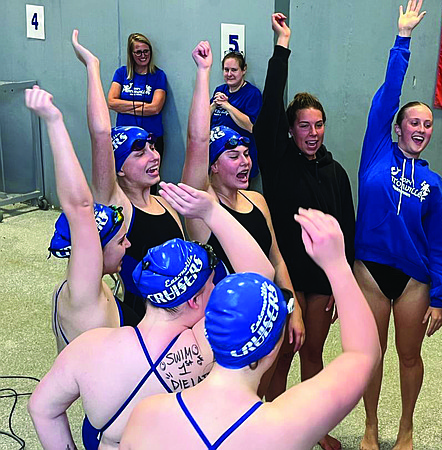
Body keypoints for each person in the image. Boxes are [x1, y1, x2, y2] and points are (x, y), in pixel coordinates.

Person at [28, 180, 274, 450]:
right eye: (211, 285)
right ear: (193, 300)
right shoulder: (203, 346)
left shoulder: (88, 347)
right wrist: (211, 212)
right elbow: (262, 278)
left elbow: (41, 408)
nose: (215, 289)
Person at [120, 208, 380, 450]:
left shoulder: (145, 416)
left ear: (208, 332)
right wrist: (337, 266)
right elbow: (363, 355)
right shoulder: (284, 428)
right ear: (274, 346)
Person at [253, 14, 356, 447]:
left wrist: (339, 282)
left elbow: (346, 233)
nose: (312, 134)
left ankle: (314, 429)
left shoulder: (336, 173)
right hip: (285, 278)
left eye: (318, 125)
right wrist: (282, 46)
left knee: (312, 354)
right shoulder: (277, 163)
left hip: (320, 281)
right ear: (290, 131)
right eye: (303, 126)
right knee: (278, 357)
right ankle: (264, 429)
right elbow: (270, 106)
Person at [182, 39, 304, 397]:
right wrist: (204, 74)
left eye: (246, 154)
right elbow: (195, 141)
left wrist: (291, 308)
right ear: (213, 165)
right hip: (224, 326)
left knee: (271, 390)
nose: (245, 162)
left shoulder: (258, 201)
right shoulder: (202, 212)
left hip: (266, 313)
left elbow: (277, 259)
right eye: (233, 156)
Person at [354, 2, 442, 449]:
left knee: (409, 357)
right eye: (414, 121)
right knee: (371, 355)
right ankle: (371, 427)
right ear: (398, 128)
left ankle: (406, 428)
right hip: (371, 271)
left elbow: (438, 242)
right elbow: (390, 93)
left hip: (413, 279)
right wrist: (403, 39)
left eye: (428, 125)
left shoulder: (434, 182)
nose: (421, 128)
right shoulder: (377, 150)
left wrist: (441, 296)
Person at [73, 31, 184, 318]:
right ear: (118, 168)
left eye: (152, 147)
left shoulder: (167, 203)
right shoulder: (117, 205)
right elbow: (100, 134)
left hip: (182, 316)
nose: (154, 156)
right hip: (142, 321)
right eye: (140, 153)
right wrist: (92, 67)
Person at [24, 85, 137, 354]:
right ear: (93, 250)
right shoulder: (85, 299)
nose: (129, 245)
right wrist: (53, 120)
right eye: (121, 240)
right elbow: (80, 206)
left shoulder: (74, 289)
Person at [108, 33, 167, 174]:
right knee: (123, 179)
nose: (143, 55)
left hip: (151, 139)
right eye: (138, 52)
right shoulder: (121, 74)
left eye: (146, 51)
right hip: (125, 140)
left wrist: (123, 106)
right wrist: (142, 106)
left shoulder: (158, 75)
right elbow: (111, 102)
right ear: (131, 53)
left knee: (149, 179)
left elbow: (155, 108)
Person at [210, 51, 263, 189]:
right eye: (226, 70)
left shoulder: (252, 94)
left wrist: (227, 106)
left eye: (234, 70)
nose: (229, 74)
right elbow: (203, 120)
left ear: (243, 70)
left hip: (239, 158)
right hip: (217, 158)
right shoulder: (219, 90)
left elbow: (251, 126)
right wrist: (214, 104)